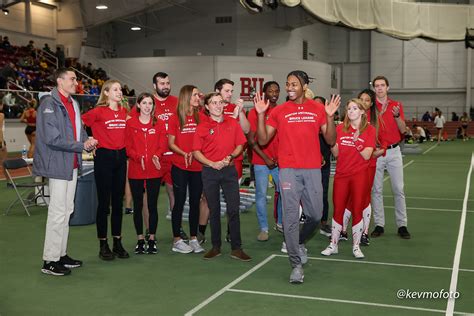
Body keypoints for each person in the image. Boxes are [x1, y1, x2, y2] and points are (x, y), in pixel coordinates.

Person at [255, 70, 340, 284]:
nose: (289, 87)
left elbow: (330, 139)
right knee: (290, 217)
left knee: (315, 214)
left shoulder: (318, 108)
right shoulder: (280, 111)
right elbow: (263, 140)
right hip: (288, 170)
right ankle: (295, 264)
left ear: (303, 86)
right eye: (287, 84)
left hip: (312, 169)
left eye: (294, 84)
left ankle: (300, 241)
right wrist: (260, 114)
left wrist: (330, 117)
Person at [33, 68, 98, 276]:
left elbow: (79, 129)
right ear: (60, 81)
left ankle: (61, 254)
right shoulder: (48, 105)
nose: (76, 82)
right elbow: (53, 139)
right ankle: (49, 260)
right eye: (72, 79)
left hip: (71, 165)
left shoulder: (73, 103)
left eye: (76, 78)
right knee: (57, 213)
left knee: (66, 211)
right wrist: (82, 146)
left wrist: (87, 138)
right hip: (57, 165)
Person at [193, 92, 251, 262]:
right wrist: (211, 163)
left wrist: (230, 157)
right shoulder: (202, 127)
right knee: (214, 209)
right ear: (207, 107)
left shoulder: (232, 123)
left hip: (229, 171)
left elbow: (240, 144)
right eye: (214, 103)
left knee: (233, 209)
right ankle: (215, 246)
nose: (218, 106)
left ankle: (236, 248)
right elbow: (196, 152)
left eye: (220, 102)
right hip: (210, 172)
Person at [321, 99, 375, 259]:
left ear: (363, 111)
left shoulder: (369, 130)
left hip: (359, 176)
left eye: (355, 108)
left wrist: (357, 140)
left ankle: (356, 246)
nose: (351, 111)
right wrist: (330, 140)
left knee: (357, 209)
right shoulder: (339, 128)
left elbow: (366, 155)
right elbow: (336, 153)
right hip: (341, 175)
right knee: (338, 209)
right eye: (349, 108)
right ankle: (333, 244)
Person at [82, 80, 130, 261]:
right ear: (107, 93)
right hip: (104, 158)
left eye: (120, 89)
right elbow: (80, 123)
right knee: (104, 204)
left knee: (118, 202)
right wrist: (89, 139)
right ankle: (103, 245)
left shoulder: (125, 112)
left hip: (120, 158)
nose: (119, 92)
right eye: (115, 89)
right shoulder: (98, 111)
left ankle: (117, 242)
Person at [125, 92, 166, 254]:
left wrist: (157, 155)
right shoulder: (131, 124)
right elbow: (128, 147)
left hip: (154, 171)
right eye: (145, 103)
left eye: (150, 103)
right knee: (138, 205)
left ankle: (152, 238)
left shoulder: (159, 124)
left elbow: (163, 145)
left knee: (152, 206)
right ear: (139, 105)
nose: (147, 106)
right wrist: (138, 157)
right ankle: (140, 239)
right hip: (136, 170)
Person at [370, 75, 411, 239]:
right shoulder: (370, 107)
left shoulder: (397, 105)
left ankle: (402, 225)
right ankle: (379, 224)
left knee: (398, 189)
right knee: (376, 190)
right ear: (374, 89)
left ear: (388, 88)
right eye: (377, 86)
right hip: (377, 152)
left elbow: (403, 130)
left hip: (394, 152)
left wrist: (396, 116)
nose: (379, 88)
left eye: (382, 85)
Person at [168, 85, 206, 254]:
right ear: (186, 97)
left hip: (197, 166)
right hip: (179, 166)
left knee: (195, 202)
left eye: (198, 95)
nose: (198, 97)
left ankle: (193, 238)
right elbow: (171, 143)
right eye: (195, 95)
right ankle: (176, 239)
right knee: (180, 201)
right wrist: (184, 153)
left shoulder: (202, 117)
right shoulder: (175, 118)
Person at [247, 81, 281, 242]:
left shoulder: (281, 111)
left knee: (283, 193)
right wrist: (266, 158)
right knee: (261, 194)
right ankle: (264, 228)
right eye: (270, 91)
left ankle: (280, 223)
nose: (274, 94)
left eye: (276, 91)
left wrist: (279, 157)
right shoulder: (255, 112)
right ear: (265, 92)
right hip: (261, 161)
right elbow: (252, 141)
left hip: (279, 162)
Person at [313, 96, 332, 238]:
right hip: (308, 165)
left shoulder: (327, 123)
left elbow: (332, 142)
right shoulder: (308, 123)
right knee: (306, 194)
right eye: (315, 104)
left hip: (324, 166)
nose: (318, 107)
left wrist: (324, 158)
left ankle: (323, 222)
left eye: (321, 104)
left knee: (323, 194)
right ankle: (308, 220)